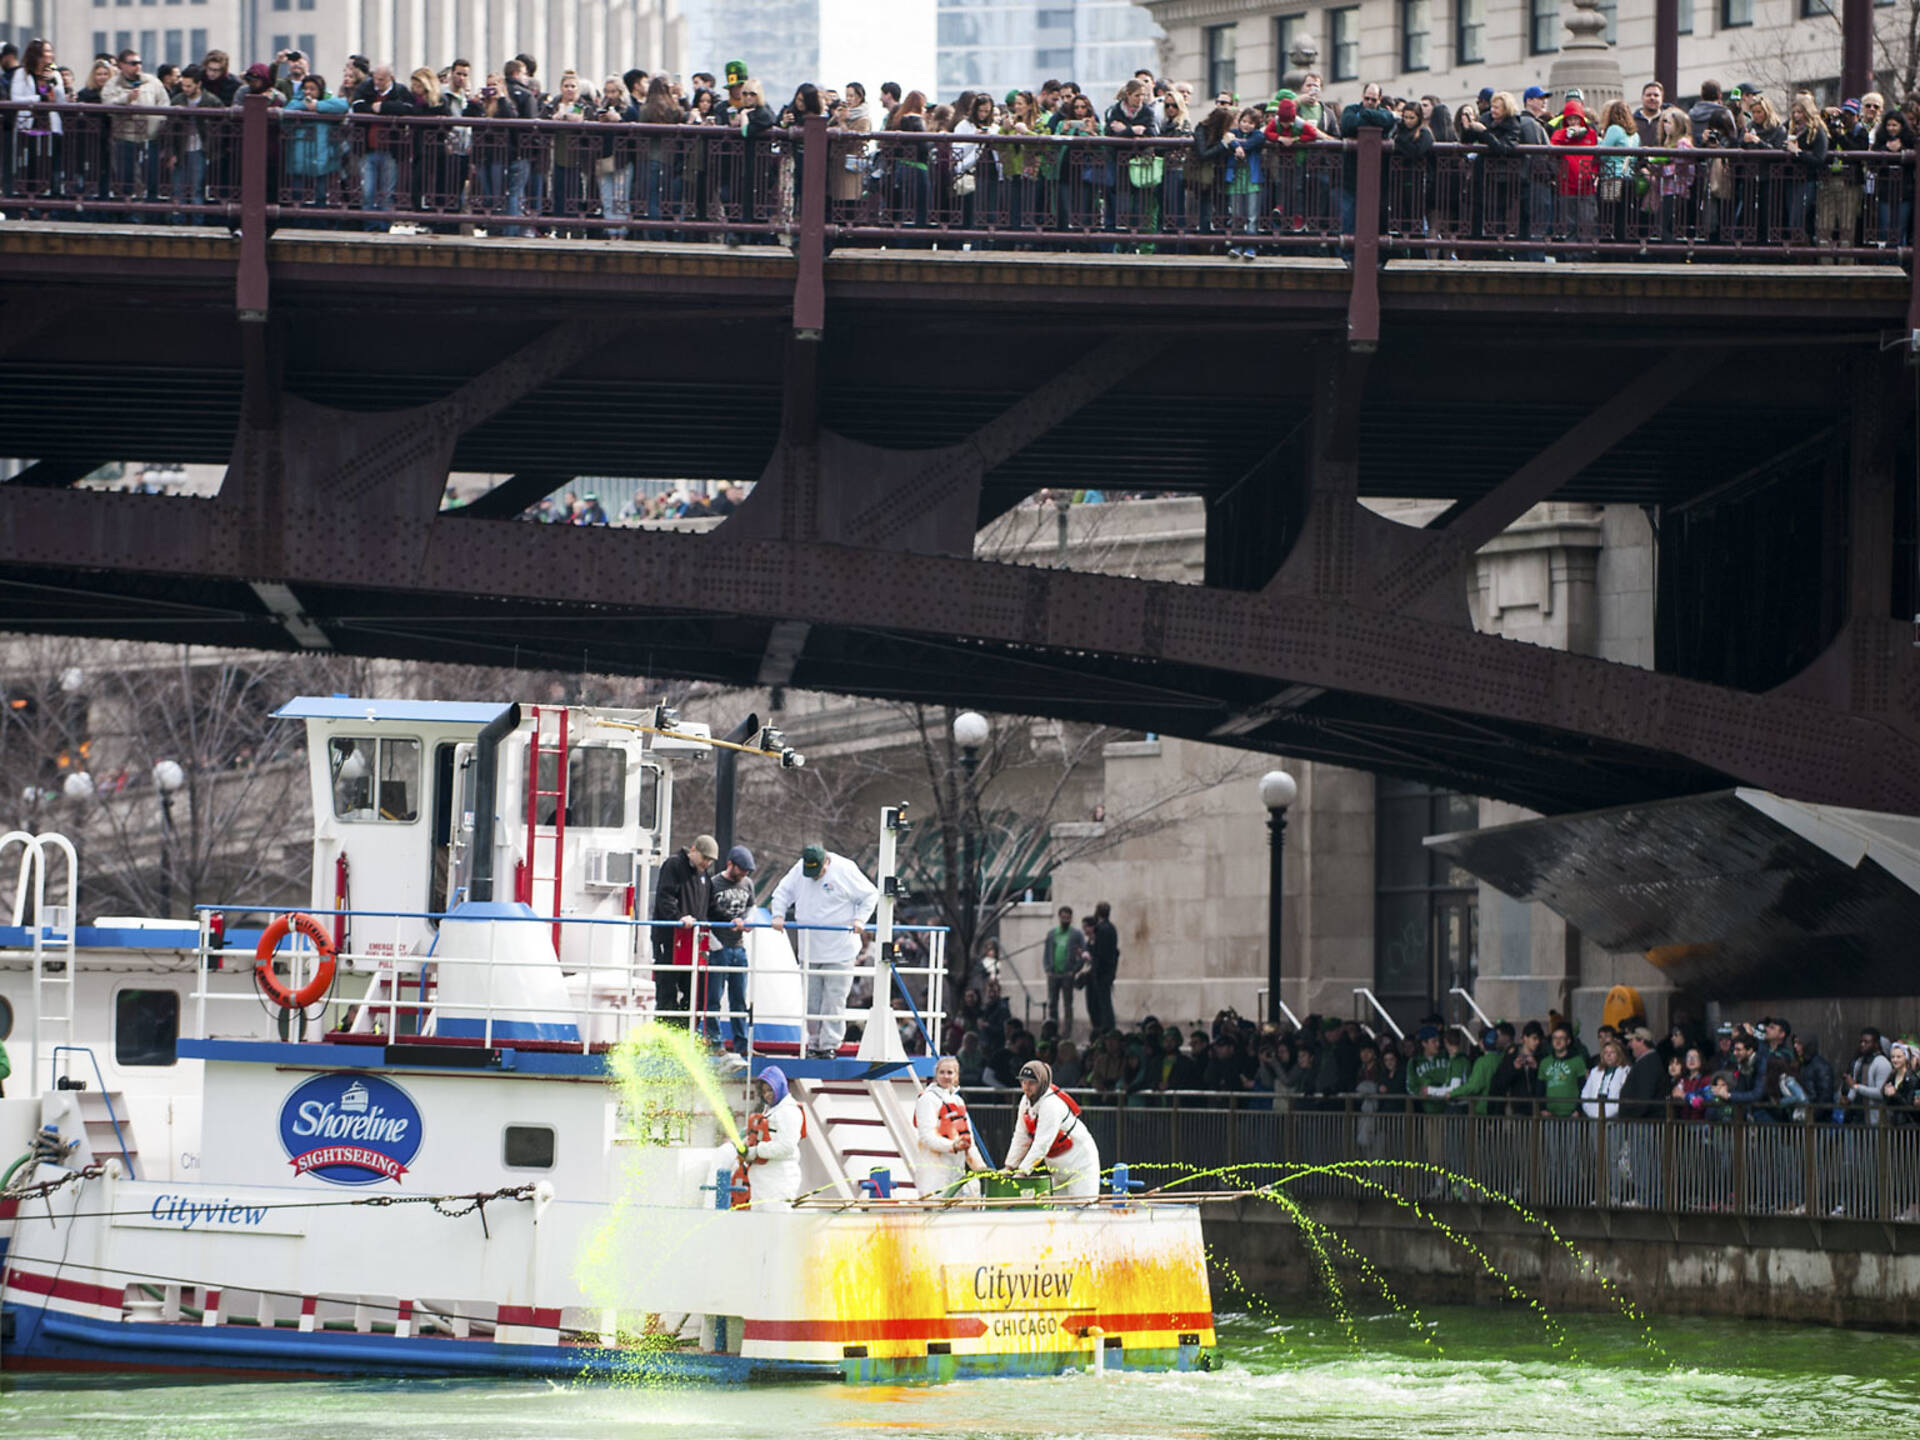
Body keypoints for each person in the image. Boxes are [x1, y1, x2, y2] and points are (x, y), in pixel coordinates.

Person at [769, 844, 879, 1057]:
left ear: (826, 862)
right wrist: (778, 914)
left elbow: (870, 895)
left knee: (834, 1000)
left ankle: (829, 1044)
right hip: (809, 948)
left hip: (840, 948)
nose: (814, 876)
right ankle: (813, 1042)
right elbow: (782, 892)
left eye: (817, 871)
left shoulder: (845, 869)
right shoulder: (799, 870)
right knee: (811, 1001)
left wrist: (860, 919)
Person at [1003, 1059, 1100, 1198]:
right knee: (1058, 1209)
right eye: (1023, 1082)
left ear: (1042, 1082)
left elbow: (1042, 1143)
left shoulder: (1051, 1105)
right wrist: (1010, 1166)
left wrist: (1023, 1171)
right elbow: (1021, 1136)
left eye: (1032, 1083)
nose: (1027, 1087)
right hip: (1058, 1169)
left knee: (1082, 1207)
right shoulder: (1025, 1101)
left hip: (1081, 1164)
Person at [650, 832, 717, 1025]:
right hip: (670, 939)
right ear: (693, 850)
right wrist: (679, 917)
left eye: (710, 861)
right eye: (705, 858)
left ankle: (686, 1032)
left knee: (695, 992)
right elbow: (665, 897)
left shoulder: (704, 877)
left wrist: (732, 921)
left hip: (693, 942)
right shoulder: (673, 865)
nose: (707, 864)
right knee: (667, 989)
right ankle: (665, 1034)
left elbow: (711, 906)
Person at [703, 844, 756, 1054]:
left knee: (739, 998)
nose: (744, 874)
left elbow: (751, 907)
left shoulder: (748, 884)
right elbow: (706, 912)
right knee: (714, 997)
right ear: (730, 864)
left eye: (747, 871)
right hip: (719, 946)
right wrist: (713, 943)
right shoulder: (714, 883)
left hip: (738, 947)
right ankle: (715, 1042)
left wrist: (748, 921)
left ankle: (742, 1044)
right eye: (741, 869)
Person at [913, 1054, 987, 1197]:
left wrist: (981, 1167)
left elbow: (969, 1140)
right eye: (942, 1072)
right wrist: (952, 1146)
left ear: (956, 1076)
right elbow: (926, 1136)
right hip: (934, 1171)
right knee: (935, 1202)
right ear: (936, 1075)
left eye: (950, 1072)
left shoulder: (958, 1101)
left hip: (956, 1169)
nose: (946, 1076)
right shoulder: (927, 1099)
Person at [740, 1065, 804, 1210]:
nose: (767, 1095)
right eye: (763, 1092)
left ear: (780, 1086)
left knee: (776, 1222)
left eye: (770, 1090)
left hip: (778, 1182)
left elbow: (786, 1147)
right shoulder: (771, 1109)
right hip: (762, 1184)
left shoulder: (789, 1111)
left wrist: (756, 1151)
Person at [1043, 904, 1085, 1038]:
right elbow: (1046, 952)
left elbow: (1083, 953)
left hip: (1067, 974)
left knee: (1068, 1004)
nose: (1065, 920)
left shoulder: (1076, 934)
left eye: (1068, 918)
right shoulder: (1052, 934)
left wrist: (1075, 970)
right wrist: (1047, 969)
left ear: (1071, 918)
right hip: (1053, 974)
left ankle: (1067, 1033)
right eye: (1063, 917)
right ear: (1059, 917)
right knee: (1052, 1003)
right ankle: (1053, 1032)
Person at [1087, 900, 1119, 1034]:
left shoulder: (1100, 929)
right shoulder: (1112, 928)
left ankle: (1105, 1028)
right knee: (1106, 1002)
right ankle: (1108, 1026)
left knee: (1101, 1003)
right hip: (1109, 970)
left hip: (1101, 972)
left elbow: (1098, 951)